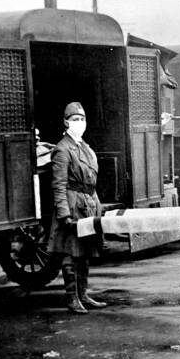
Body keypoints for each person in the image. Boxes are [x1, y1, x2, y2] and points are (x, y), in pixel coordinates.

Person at [47, 102, 106, 314]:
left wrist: (96, 207)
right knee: (70, 253)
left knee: (85, 251)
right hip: (72, 206)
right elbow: (59, 185)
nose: (79, 123)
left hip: (87, 204)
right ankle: (72, 298)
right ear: (66, 122)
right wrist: (63, 213)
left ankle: (83, 295)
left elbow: (91, 181)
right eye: (74, 119)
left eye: (82, 119)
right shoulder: (62, 149)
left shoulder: (85, 148)